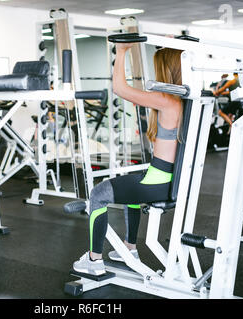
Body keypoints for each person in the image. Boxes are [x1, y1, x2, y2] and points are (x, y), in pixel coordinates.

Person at [72, 43, 184, 276]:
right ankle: (130, 248)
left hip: (157, 183)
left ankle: (93, 260)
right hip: (166, 181)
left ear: (165, 71)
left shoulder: (167, 100)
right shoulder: (186, 102)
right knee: (131, 189)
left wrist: (121, 52)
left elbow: (120, 89)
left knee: (98, 194)